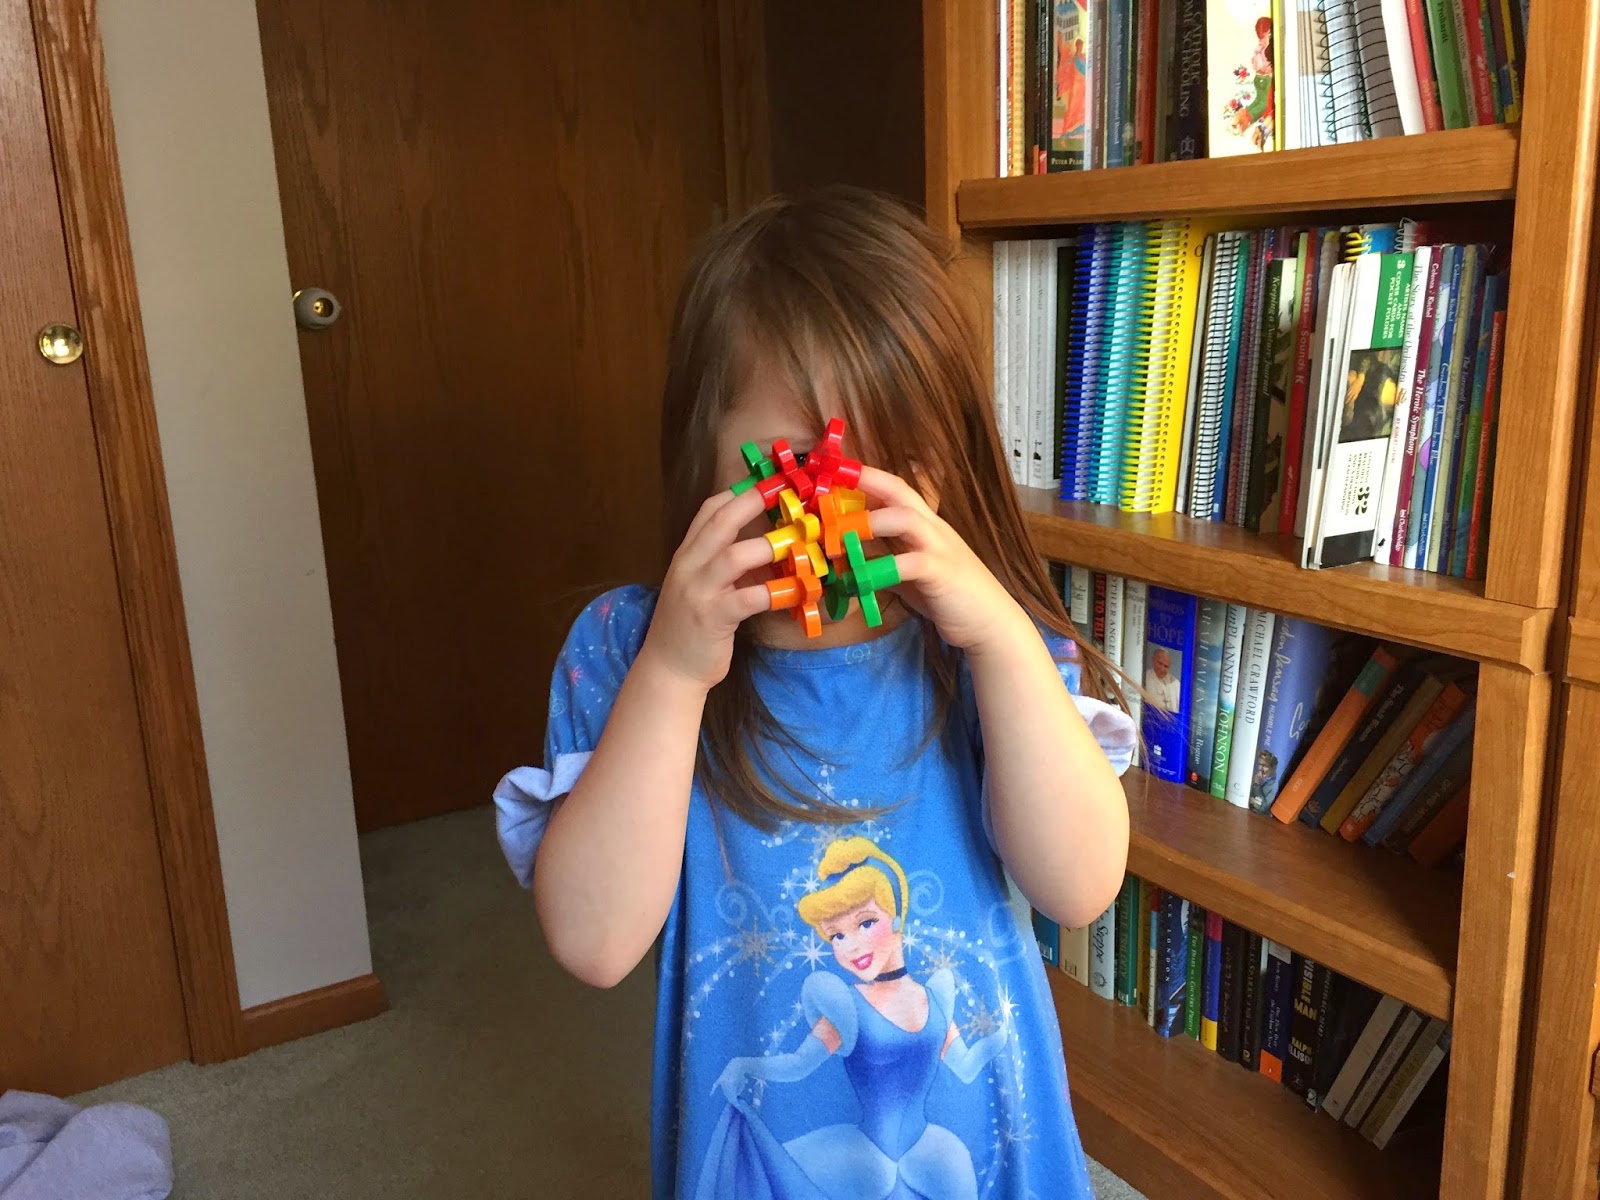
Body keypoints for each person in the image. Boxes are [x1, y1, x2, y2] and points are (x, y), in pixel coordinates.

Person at [493, 187, 1137, 1200]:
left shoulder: (986, 646)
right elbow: (594, 942)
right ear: (703, 461)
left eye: (885, 473)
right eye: (797, 473)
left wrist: (1002, 642)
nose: (838, 518)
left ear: (940, 469)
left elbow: (1081, 886)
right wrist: (672, 675)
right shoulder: (628, 651)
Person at [1144, 648, 1182, 712]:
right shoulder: (1144, 677)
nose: (1162, 668)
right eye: (1160, 663)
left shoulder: (1175, 683)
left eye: (1166, 666)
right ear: (1153, 660)